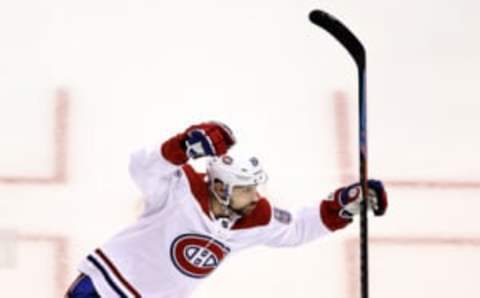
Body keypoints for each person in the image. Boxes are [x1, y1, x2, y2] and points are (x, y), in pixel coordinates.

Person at [66, 121, 388, 298]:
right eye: (246, 188)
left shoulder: (255, 217)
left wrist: (343, 207)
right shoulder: (180, 190)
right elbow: (142, 166)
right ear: (220, 187)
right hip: (105, 286)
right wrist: (182, 146)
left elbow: (298, 228)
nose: (255, 195)